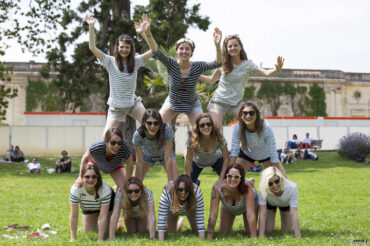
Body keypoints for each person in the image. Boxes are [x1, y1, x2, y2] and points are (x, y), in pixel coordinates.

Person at [137, 14, 222, 126]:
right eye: (181, 48)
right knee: (157, 125)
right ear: (177, 51)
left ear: (191, 52)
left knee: (201, 128)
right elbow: (156, 51)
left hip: (192, 104)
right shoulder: (171, 63)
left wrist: (217, 45)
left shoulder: (197, 66)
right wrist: (147, 32)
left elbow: (217, 63)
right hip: (172, 103)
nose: (184, 51)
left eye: (187, 49)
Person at [85, 15, 152, 138]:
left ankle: (163, 154)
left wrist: (145, 33)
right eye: (121, 47)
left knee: (151, 124)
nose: (124, 49)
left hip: (133, 104)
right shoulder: (110, 61)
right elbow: (92, 47)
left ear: (131, 48)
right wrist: (91, 27)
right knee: (105, 139)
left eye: (127, 47)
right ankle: (89, 157)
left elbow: (154, 50)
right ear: (117, 47)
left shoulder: (136, 61)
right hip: (116, 108)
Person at [199, 34, 284, 129]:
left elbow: (266, 73)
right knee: (216, 129)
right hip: (219, 101)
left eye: (235, 45)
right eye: (230, 46)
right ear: (226, 49)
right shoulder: (223, 63)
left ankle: (245, 143)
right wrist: (196, 74)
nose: (233, 48)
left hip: (236, 102)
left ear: (240, 47)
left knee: (249, 124)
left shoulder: (248, 65)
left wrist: (276, 70)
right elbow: (211, 80)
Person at [230, 101, 288, 178]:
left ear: (256, 115)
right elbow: (234, 152)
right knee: (234, 180)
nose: (248, 116)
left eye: (251, 113)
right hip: (247, 154)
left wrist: (277, 175)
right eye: (245, 113)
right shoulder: (237, 127)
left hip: (266, 154)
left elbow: (273, 154)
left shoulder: (266, 127)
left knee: (283, 181)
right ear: (241, 115)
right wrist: (229, 172)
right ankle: (249, 184)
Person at [207, 164, 257, 239]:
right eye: (230, 176)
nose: (233, 179)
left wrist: (254, 238)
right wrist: (209, 237)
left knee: (249, 231)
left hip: (248, 205)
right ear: (225, 176)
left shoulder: (247, 188)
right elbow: (213, 215)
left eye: (237, 177)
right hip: (228, 207)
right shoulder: (217, 188)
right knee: (223, 232)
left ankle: (250, 182)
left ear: (241, 178)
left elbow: (251, 215)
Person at [70, 163, 117, 241]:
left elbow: (103, 217)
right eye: (87, 176)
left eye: (94, 176)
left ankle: (116, 224)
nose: (91, 179)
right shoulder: (75, 190)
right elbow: (74, 216)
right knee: (90, 231)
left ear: (98, 177)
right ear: (81, 177)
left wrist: (100, 240)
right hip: (89, 207)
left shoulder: (105, 189)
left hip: (107, 206)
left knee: (107, 232)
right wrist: (73, 239)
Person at [133, 109, 178, 184]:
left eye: (156, 123)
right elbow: (139, 161)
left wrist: (170, 181)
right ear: (144, 123)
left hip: (165, 154)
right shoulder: (138, 135)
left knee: (176, 183)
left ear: (160, 123)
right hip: (147, 155)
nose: (152, 126)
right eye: (149, 123)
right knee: (135, 184)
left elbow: (168, 157)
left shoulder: (167, 130)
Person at [185, 113, 229, 186]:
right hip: (197, 162)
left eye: (208, 124)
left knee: (227, 181)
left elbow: (226, 158)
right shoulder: (191, 138)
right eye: (202, 125)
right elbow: (189, 160)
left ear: (212, 125)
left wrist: (221, 178)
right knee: (188, 185)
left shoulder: (218, 136)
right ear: (198, 127)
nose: (206, 127)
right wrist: (187, 179)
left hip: (216, 160)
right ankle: (196, 182)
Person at [157, 174, 205, 241]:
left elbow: (200, 217)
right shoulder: (167, 193)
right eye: (180, 189)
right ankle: (179, 224)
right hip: (173, 211)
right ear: (175, 188)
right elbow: (161, 219)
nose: (183, 192)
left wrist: (202, 240)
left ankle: (182, 221)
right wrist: (161, 241)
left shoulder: (196, 192)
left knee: (196, 230)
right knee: (171, 232)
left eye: (187, 190)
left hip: (190, 210)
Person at [258, 167, 301, 238]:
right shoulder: (263, 188)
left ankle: (284, 214)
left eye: (277, 181)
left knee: (287, 230)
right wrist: (261, 236)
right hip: (270, 204)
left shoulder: (292, 187)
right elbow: (262, 213)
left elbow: (294, 213)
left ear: (281, 178)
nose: (274, 185)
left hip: (285, 204)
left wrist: (298, 236)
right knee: (268, 230)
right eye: (270, 183)